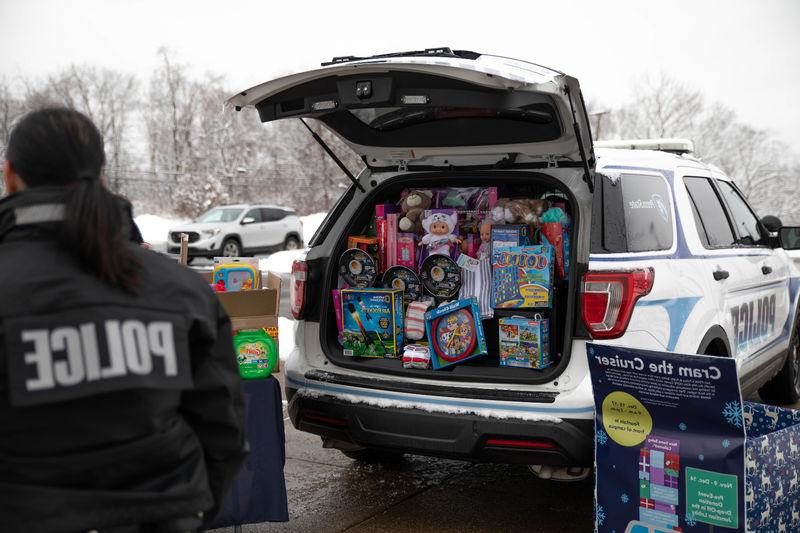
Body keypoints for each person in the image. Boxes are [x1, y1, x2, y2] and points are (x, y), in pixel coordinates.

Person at [0, 108, 247, 532]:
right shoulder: (180, 288)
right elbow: (224, 429)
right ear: (102, 178)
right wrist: (191, 508)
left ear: (10, 176)